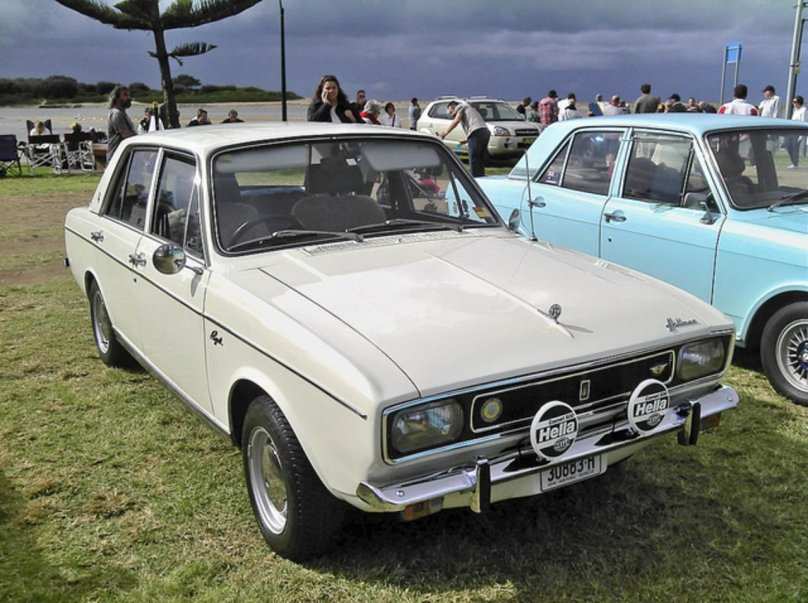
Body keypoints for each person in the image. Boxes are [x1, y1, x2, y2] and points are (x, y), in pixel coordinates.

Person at [440, 100, 490, 177]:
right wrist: (467, 140)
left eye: (450, 111)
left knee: (473, 159)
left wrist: (446, 132)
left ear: (451, 107)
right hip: (485, 132)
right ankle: (480, 177)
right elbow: (476, 127)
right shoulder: (469, 109)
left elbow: (456, 120)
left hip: (476, 133)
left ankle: (474, 178)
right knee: (479, 159)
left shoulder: (461, 107)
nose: (450, 114)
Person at [106, 85, 136, 160]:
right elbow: (125, 134)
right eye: (125, 95)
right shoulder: (117, 114)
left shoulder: (121, 113)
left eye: (128, 95)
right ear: (116, 98)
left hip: (121, 156)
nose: (129, 98)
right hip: (117, 157)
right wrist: (141, 137)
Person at [787, 95, 807, 168]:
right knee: (788, 146)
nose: (793, 103)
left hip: (798, 131)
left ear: (799, 102)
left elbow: (804, 121)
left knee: (795, 147)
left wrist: (801, 135)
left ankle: (795, 163)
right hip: (793, 130)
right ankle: (793, 161)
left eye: (795, 102)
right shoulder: (795, 110)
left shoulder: (803, 110)